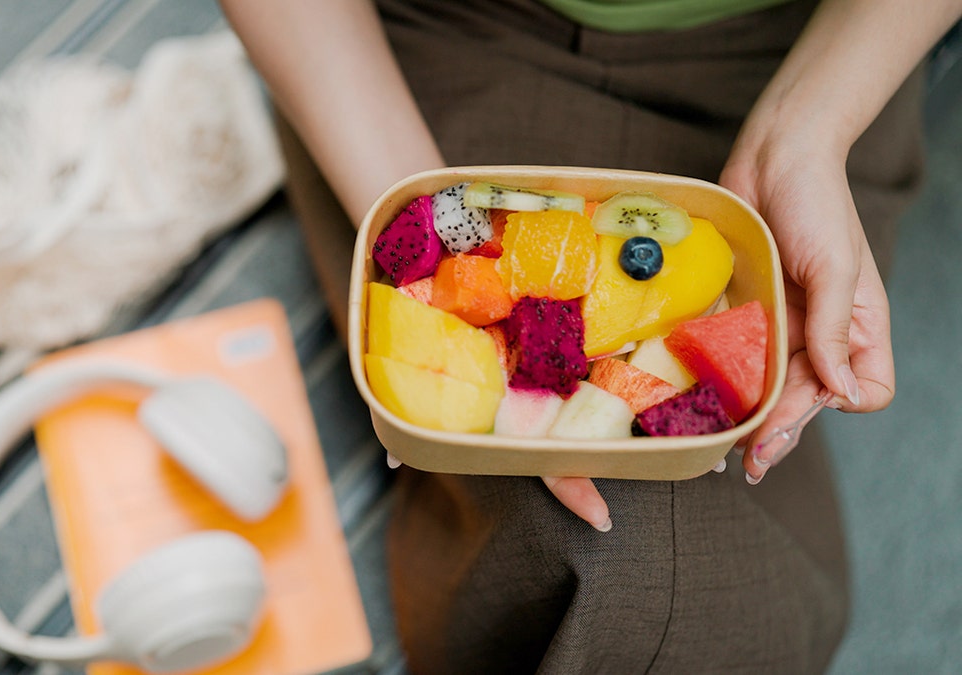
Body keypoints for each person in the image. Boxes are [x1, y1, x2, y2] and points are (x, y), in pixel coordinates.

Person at [219, 0, 962, 671]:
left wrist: (803, 133)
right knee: (586, 553)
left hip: (808, 65)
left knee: (712, 610)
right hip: (439, 50)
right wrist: (439, 229)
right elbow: (447, 228)